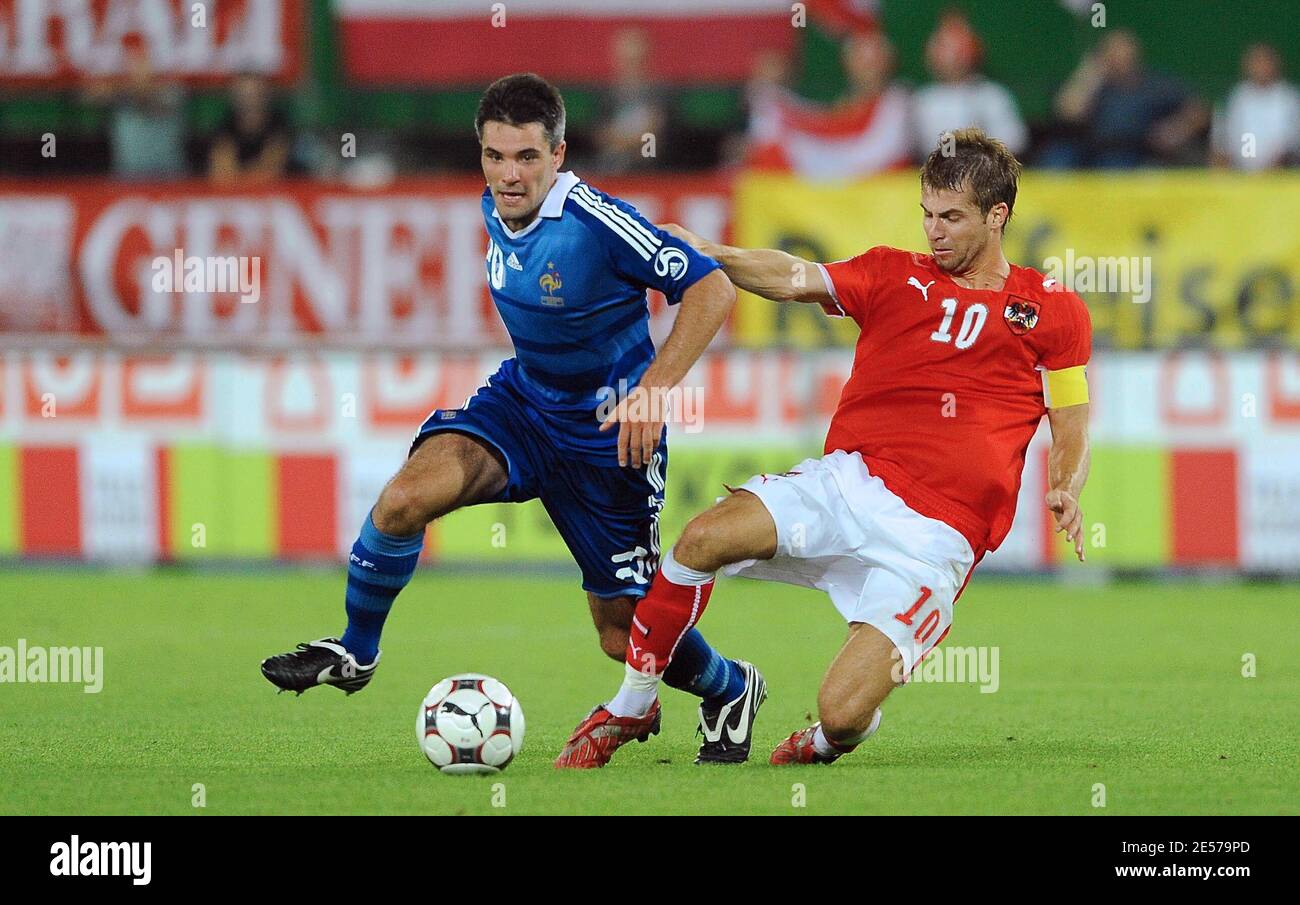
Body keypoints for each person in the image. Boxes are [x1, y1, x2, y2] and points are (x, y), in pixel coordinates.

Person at [261, 74, 763, 766]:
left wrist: (652, 390)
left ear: (559, 154)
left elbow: (711, 287)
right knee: (404, 498)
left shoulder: (594, 220)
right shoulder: (495, 207)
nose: (509, 173)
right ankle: (356, 649)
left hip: (608, 439)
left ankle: (733, 686)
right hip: (523, 406)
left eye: (527, 157)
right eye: (495, 156)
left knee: (623, 635)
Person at [556, 128, 1092, 768]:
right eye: (927, 214)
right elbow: (792, 277)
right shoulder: (893, 274)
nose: (934, 231)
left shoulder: (1053, 308)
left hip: (939, 539)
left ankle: (832, 737)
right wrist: (710, 252)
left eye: (951, 217)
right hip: (852, 484)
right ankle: (633, 701)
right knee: (701, 540)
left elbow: (1070, 415)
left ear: (997, 215)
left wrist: (1066, 485)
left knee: (839, 711)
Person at [1052, 29, 1208, 167]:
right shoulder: (1096, 83)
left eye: (1123, 53)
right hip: (1088, 149)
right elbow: (1068, 112)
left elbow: (1198, 111)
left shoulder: (1156, 85)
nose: (1119, 59)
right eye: (1112, 53)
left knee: (1114, 167)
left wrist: (1175, 130)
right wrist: (1091, 73)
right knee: (1056, 161)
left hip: (1132, 152)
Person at [912, 11, 1026, 158]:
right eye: (940, 44)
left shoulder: (991, 96)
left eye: (952, 46)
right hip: (927, 175)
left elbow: (1014, 142)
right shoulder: (921, 99)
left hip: (982, 174)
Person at [1214, 43, 1299, 170]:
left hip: (1283, 176)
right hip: (1239, 177)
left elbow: (1292, 142)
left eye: (1265, 61)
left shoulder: (1290, 98)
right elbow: (1221, 143)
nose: (1261, 67)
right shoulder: (1236, 97)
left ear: (1275, 64)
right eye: (1257, 62)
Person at [207, 73, 291, 185]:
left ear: (265, 96)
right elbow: (222, 174)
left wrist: (241, 177)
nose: (249, 102)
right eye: (243, 95)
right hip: (235, 196)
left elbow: (270, 171)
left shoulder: (279, 125)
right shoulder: (224, 127)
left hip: (275, 193)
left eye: (254, 94)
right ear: (234, 97)